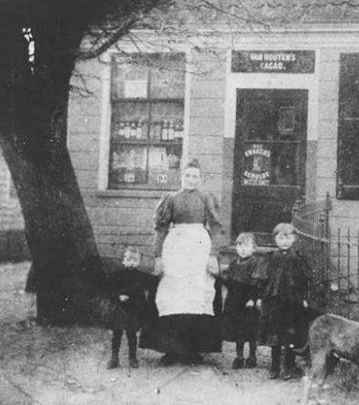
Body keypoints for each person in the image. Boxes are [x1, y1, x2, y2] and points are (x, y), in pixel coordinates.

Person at [140, 158, 224, 365]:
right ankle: (171, 349)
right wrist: (158, 257)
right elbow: (160, 229)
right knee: (173, 295)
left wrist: (213, 254)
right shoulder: (170, 199)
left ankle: (194, 349)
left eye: (195, 176)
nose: (191, 180)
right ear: (181, 177)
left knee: (197, 293)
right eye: (187, 175)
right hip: (175, 249)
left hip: (198, 247)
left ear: (200, 179)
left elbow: (216, 226)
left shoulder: (206, 198)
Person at [257, 223, 310, 380]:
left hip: (293, 302)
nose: (284, 241)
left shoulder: (298, 259)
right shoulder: (271, 258)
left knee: (290, 336)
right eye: (280, 238)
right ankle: (274, 368)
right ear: (275, 239)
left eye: (288, 237)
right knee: (275, 336)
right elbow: (263, 280)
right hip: (275, 302)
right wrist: (261, 298)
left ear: (294, 239)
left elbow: (304, 281)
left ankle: (289, 367)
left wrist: (304, 298)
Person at [219, 232, 264, 369]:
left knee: (251, 331)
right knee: (238, 330)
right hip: (235, 301)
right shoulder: (234, 263)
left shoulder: (256, 263)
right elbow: (229, 282)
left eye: (246, 246)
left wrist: (253, 298)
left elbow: (257, 283)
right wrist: (221, 276)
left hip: (248, 303)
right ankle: (239, 356)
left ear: (254, 248)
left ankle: (252, 356)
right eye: (239, 245)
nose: (243, 249)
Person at [106, 246, 154, 369]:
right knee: (117, 335)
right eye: (128, 259)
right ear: (123, 261)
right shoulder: (117, 275)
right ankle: (114, 358)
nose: (131, 263)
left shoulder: (141, 276)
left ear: (139, 262)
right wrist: (118, 296)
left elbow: (153, 282)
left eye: (135, 260)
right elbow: (109, 290)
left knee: (131, 335)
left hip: (134, 310)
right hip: (120, 309)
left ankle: (132, 358)